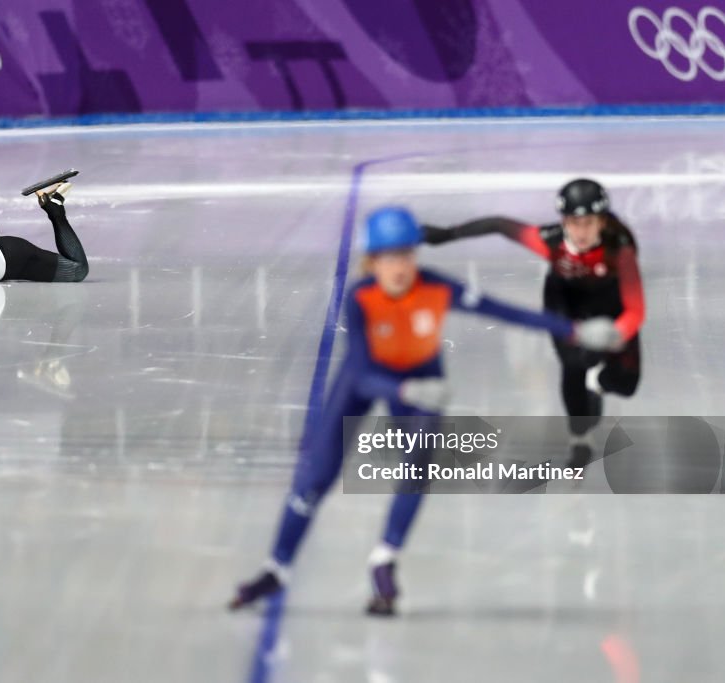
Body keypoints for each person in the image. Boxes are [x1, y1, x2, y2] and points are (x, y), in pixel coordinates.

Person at [229, 206, 622, 616]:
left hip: (420, 379)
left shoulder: (435, 288)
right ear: (372, 262)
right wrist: (407, 388)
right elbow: (363, 375)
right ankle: (276, 568)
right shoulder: (360, 300)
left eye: (406, 255)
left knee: (419, 466)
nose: (399, 267)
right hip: (371, 379)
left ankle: (385, 560)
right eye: (389, 258)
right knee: (316, 477)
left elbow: (503, 311)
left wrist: (574, 330)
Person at [422, 178, 644, 467]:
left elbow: (636, 309)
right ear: (563, 220)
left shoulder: (621, 247)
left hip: (608, 302)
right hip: (566, 302)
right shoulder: (551, 240)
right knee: (574, 362)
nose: (580, 231)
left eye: (588, 222)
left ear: (602, 221)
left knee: (626, 384)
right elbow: (500, 225)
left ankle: (596, 383)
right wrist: (446, 235)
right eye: (573, 222)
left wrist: (615, 333)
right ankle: (579, 438)